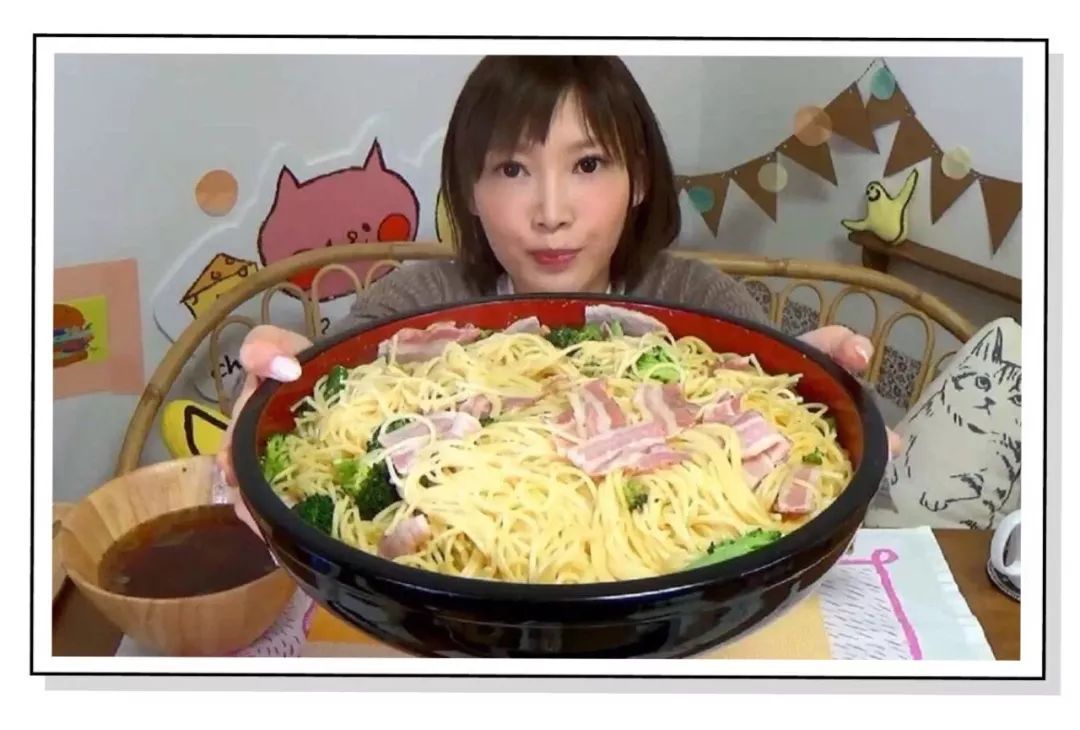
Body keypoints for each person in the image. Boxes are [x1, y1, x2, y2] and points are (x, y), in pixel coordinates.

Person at [216, 55, 900, 522]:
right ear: (470, 192)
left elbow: (784, 439)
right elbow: (320, 406)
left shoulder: (705, 303)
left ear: (639, 179)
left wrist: (814, 398)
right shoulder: (409, 307)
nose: (550, 212)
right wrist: (278, 390)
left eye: (589, 164)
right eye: (512, 170)